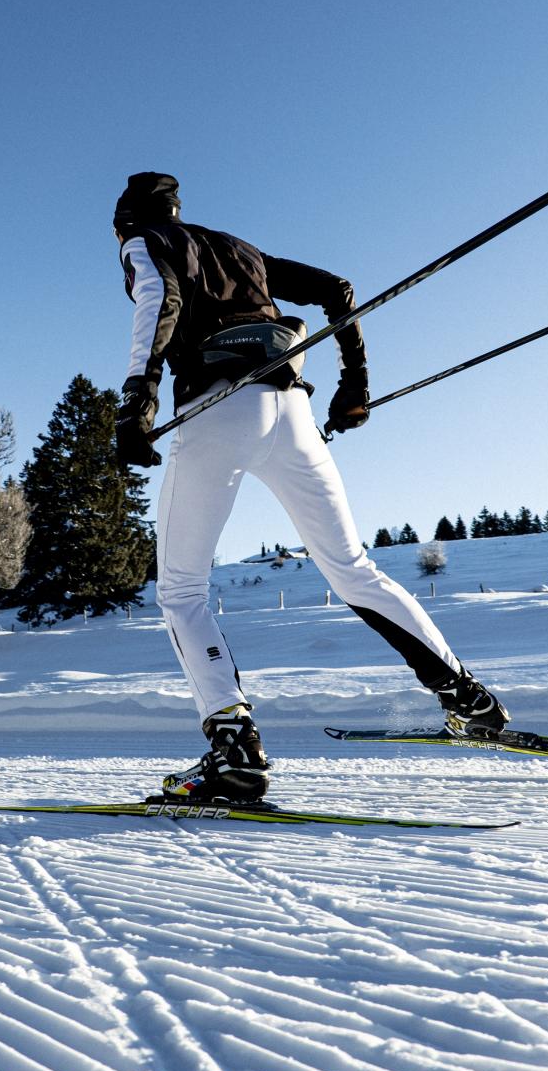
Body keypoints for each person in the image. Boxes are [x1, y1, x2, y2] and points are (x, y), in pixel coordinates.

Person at [113, 171, 509, 804]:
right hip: (292, 411)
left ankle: (233, 750)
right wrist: (356, 382)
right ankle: (467, 695)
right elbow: (335, 289)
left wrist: (137, 402)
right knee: (352, 568)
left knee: (182, 592)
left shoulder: (144, 240)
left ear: (125, 220)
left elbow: (158, 302)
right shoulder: (240, 252)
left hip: (218, 409)